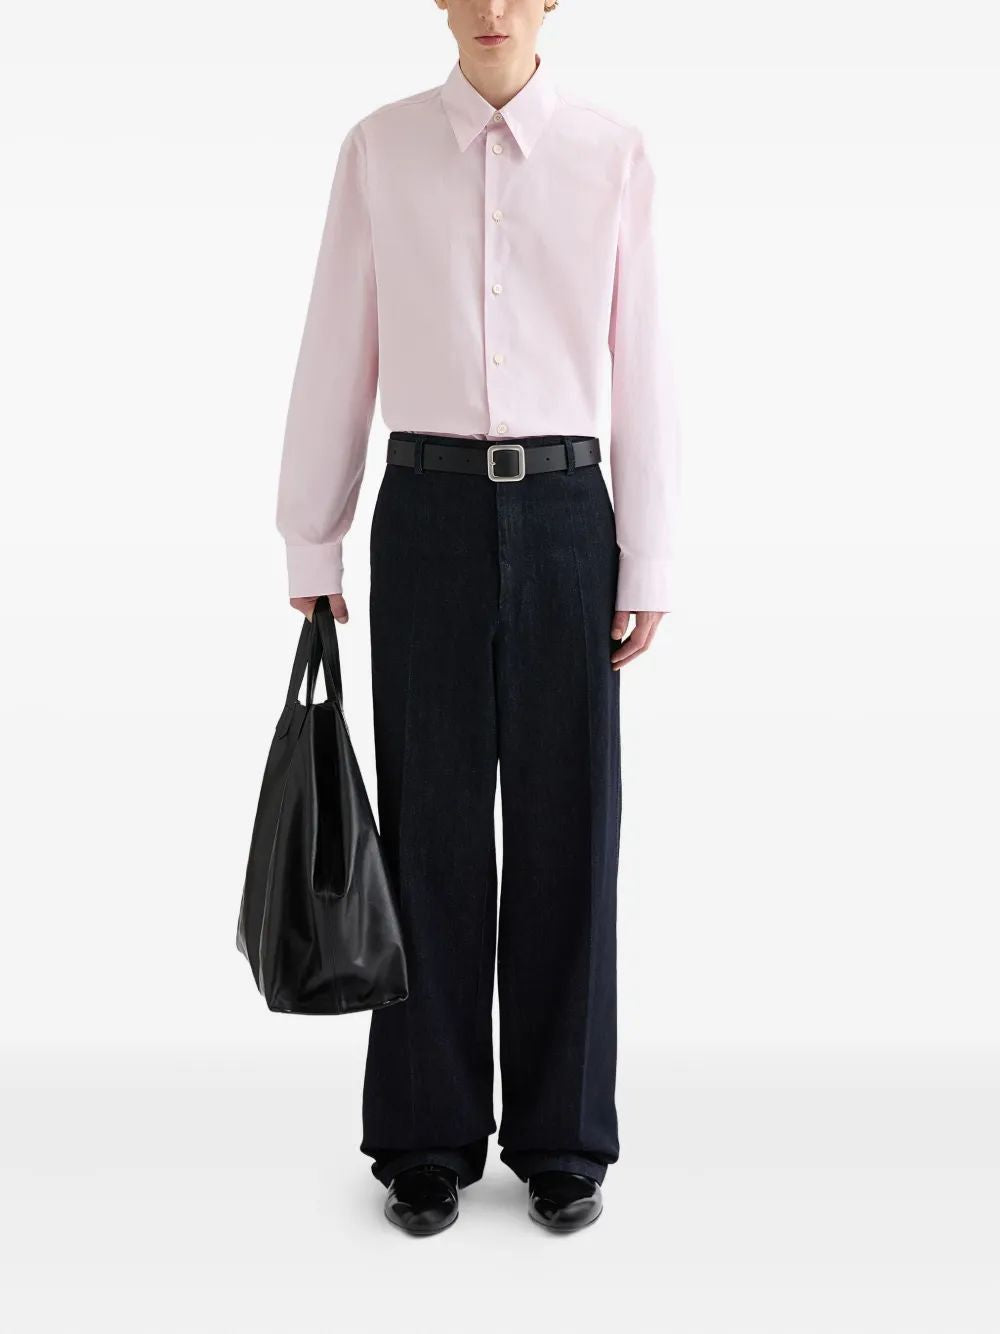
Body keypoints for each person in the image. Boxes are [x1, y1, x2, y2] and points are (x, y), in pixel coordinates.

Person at [274, 0, 680, 1235]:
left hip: (566, 516)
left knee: (571, 830)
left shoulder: (612, 153)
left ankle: (564, 1136)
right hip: (428, 515)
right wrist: (312, 529)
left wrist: (647, 552)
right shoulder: (379, 148)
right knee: (427, 829)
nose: (493, 10)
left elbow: (644, 359)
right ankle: (425, 1132)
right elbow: (337, 340)